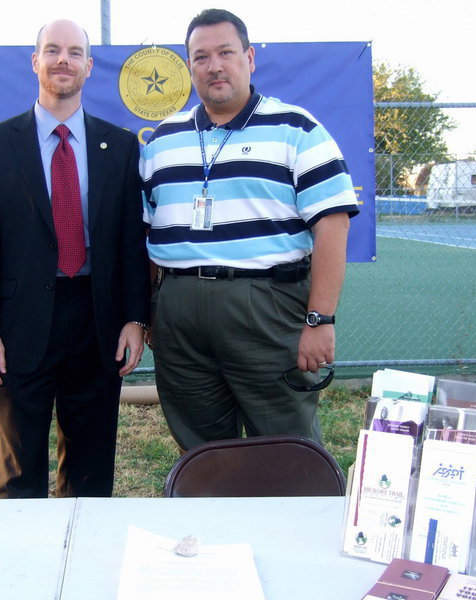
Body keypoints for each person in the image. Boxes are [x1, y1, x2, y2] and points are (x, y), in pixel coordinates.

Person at [141, 9, 359, 451]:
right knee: (201, 450)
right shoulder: (162, 140)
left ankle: (293, 499)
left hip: (267, 308)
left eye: (226, 52)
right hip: (178, 313)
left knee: (285, 446)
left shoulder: (297, 128)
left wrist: (320, 320)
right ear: (189, 67)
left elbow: (332, 227)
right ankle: (210, 500)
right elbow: (145, 233)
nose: (214, 66)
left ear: (250, 57)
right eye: (201, 57)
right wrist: (148, 312)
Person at [0, 19, 150, 498]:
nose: (63, 60)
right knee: (20, 471)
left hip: (97, 322)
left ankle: (85, 540)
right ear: (35, 62)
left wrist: (135, 319)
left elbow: (131, 242)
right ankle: (22, 544)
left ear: (89, 66)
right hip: (20, 324)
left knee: (91, 472)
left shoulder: (120, 146)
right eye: (52, 50)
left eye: (74, 52)